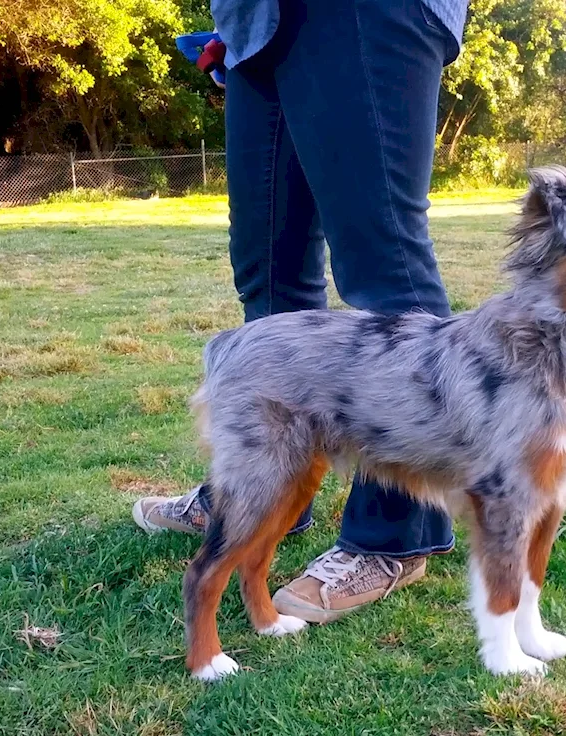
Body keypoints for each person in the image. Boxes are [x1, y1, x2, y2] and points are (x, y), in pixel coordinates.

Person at [132, 0, 469, 624]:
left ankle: (393, 537)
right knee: (267, 274)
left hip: (366, 15)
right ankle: (258, 493)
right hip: (255, 28)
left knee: (382, 260)